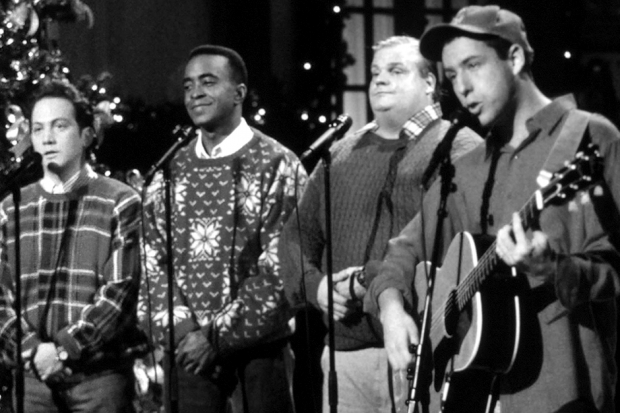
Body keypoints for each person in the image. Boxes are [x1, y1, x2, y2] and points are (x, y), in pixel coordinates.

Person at [365, 5, 620, 413]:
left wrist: (554, 268)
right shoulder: (467, 167)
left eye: (473, 66)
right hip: (479, 394)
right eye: (451, 75)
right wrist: (391, 307)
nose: (462, 87)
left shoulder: (588, 138)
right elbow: (404, 248)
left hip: (567, 393)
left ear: (515, 58)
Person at [279, 35, 481, 413]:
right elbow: (296, 235)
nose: (379, 81)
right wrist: (316, 286)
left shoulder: (458, 147)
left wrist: (371, 283)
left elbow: (456, 245)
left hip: (426, 350)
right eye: (374, 73)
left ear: (429, 83)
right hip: (346, 358)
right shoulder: (340, 152)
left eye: (395, 71)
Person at [139, 44, 306, 413]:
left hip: (259, 357)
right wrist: (185, 335)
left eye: (208, 82)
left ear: (239, 93)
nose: (195, 93)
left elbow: (283, 268)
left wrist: (216, 337)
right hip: (187, 358)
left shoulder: (279, 165)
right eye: (188, 85)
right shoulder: (168, 171)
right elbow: (152, 262)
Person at [0, 79, 148, 412]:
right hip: (32, 380)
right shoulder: (11, 207)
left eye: (59, 126)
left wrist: (64, 350)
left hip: (100, 380)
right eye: (38, 129)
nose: (47, 138)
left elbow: (120, 294)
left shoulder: (120, 201)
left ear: (86, 135)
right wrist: (31, 350)